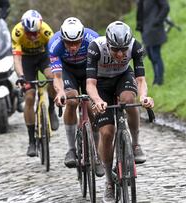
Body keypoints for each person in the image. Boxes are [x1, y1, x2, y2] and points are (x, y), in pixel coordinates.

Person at [86, 21, 154, 203]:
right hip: (100, 84)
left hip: (123, 77)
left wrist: (144, 97)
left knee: (129, 101)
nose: (120, 54)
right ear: (108, 43)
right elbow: (90, 84)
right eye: (115, 49)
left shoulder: (135, 47)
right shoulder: (95, 48)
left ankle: (136, 144)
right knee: (107, 133)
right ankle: (109, 181)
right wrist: (98, 101)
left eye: (123, 49)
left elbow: (140, 80)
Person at [48, 17, 104, 176]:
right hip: (67, 72)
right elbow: (57, 77)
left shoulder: (94, 39)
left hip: (89, 69)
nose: (72, 47)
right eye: (68, 43)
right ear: (62, 39)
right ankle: (72, 149)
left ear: (82, 38)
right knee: (72, 100)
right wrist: (60, 92)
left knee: (93, 109)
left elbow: (103, 65)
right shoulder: (54, 44)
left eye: (77, 43)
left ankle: (97, 154)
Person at [11, 10, 59, 157]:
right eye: (29, 34)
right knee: (30, 97)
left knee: (53, 77)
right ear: (24, 29)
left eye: (35, 33)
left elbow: (54, 54)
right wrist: (21, 76)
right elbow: (17, 60)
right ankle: (32, 141)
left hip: (43, 56)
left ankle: (51, 109)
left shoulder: (46, 31)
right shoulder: (17, 32)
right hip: (26, 60)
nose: (32, 37)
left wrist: (57, 74)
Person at [136, 0, 169, 86]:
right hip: (145, 31)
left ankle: (159, 81)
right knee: (150, 56)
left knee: (156, 55)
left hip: (155, 30)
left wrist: (157, 21)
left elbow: (166, 7)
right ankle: (156, 79)